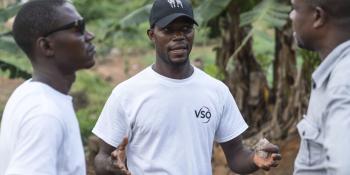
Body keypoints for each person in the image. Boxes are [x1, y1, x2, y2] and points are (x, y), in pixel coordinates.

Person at [93, 0, 281, 174]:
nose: (179, 37)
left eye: (186, 29)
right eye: (168, 30)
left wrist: (254, 159)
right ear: (152, 35)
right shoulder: (127, 93)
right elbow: (101, 158)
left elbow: (237, 156)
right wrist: (112, 165)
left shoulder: (216, 91)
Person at [0, 0, 96, 174]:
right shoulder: (45, 114)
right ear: (46, 45)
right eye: (78, 28)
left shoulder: (31, 93)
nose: (90, 36)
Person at [290, 0, 350, 174]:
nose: (291, 16)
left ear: (317, 17)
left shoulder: (343, 82)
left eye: (295, 9)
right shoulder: (336, 72)